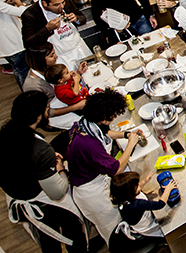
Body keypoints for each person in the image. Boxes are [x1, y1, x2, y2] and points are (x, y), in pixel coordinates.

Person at [0, 91, 87, 252]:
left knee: (48, 239)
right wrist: (60, 168)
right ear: (38, 116)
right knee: (72, 232)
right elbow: (57, 193)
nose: (49, 112)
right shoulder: (39, 150)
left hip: (18, 189)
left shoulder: (7, 132)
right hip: (42, 202)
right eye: (47, 109)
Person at [67, 89, 143, 244]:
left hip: (91, 179)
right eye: (113, 116)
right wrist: (131, 144)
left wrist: (127, 134)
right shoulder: (89, 144)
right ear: (103, 116)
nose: (115, 118)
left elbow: (105, 132)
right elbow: (115, 168)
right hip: (91, 192)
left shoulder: (85, 124)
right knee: (114, 229)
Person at [21, 0, 91, 70]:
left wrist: (76, 18)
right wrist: (47, 29)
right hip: (60, 58)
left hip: (79, 48)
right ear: (45, 3)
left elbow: (82, 18)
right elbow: (28, 43)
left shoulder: (64, 1)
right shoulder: (31, 15)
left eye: (63, 2)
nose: (62, 6)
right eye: (56, 5)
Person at [23, 43, 85, 131]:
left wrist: (78, 73)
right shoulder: (32, 85)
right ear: (40, 60)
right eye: (52, 55)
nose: (56, 56)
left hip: (66, 99)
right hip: (54, 112)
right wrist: (76, 107)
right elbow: (45, 113)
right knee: (87, 121)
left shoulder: (49, 67)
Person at [110, 171, 175, 249]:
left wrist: (145, 181)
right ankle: (164, 241)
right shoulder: (137, 204)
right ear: (131, 192)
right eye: (137, 185)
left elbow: (135, 190)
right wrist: (168, 189)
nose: (139, 185)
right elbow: (160, 204)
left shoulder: (122, 199)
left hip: (135, 225)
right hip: (147, 228)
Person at [0, 0, 29, 89]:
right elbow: (23, 12)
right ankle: (29, 97)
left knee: (21, 70)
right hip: (12, 44)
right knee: (23, 72)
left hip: (11, 43)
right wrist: (19, 2)